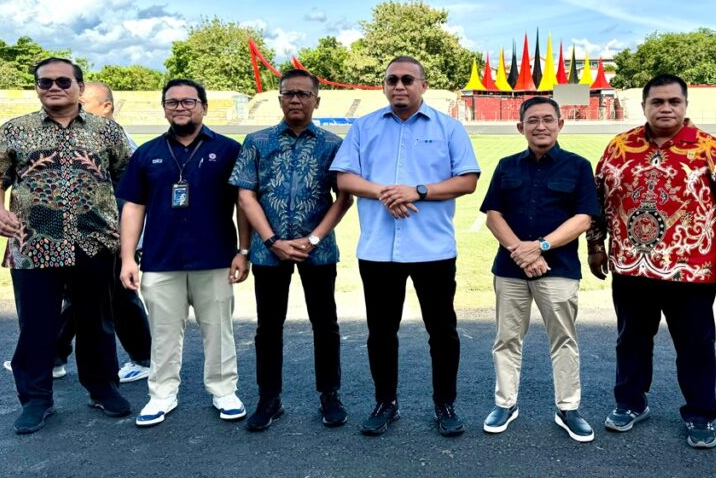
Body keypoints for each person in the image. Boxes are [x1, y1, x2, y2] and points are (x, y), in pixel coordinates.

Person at [587, 74, 716, 449]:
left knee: (695, 346)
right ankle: (630, 403)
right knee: (631, 341)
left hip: (691, 270)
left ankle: (700, 413)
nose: (666, 108)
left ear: (685, 105)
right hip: (631, 266)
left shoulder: (712, 150)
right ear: (644, 105)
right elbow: (597, 201)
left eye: (673, 102)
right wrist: (596, 245)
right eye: (658, 102)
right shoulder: (619, 147)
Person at [0, 58, 133, 434]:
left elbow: (129, 184)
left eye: (63, 81)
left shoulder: (106, 132)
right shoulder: (17, 129)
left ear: (79, 87)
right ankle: (35, 400)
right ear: (37, 87)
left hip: (95, 240)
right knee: (36, 326)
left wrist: (129, 240)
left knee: (96, 322)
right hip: (33, 243)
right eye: (44, 82)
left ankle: (102, 388)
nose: (53, 87)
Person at [331, 56, 479, 437]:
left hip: (433, 249)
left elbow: (467, 180)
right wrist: (386, 192)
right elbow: (345, 177)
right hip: (379, 249)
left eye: (407, 80)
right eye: (392, 80)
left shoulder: (448, 128)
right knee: (381, 332)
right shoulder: (363, 128)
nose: (399, 86)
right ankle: (386, 402)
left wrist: (419, 191)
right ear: (384, 85)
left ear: (423, 85)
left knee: (442, 331)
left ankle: (445, 403)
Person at [116, 79, 251, 427]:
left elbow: (244, 204)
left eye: (188, 101)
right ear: (164, 108)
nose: (180, 107)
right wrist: (128, 257)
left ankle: (224, 391)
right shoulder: (146, 153)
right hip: (161, 260)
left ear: (204, 107)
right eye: (172, 102)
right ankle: (161, 395)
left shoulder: (228, 150)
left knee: (218, 330)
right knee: (162, 333)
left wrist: (243, 250)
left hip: (216, 257)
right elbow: (133, 207)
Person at [230, 69, 353, 432]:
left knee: (325, 325)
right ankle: (269, 398)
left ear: (317, 99)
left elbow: (344, 198)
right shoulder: (257, 140)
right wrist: (268, 241)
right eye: (288, 93)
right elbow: (245, 195)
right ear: (279, 98)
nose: (295, 100)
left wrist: (313, 239)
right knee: (268, 327)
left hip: (318, 250)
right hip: (270, 250)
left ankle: (329, 394)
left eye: (303, 93)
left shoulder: (333, 143)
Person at [479, 97, 599, 442]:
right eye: (532, 120)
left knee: (563, 339)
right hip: (510, 268)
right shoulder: (506, 166)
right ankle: (505, 403)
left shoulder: (577, 166)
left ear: (561, 124)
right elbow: (493, 216)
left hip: (559, 268)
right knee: (506, 339)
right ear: (521, 127)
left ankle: (568, 408)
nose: (541, 126)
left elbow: (583, 218)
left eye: (548, 119)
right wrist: (521, 251)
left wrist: (541, 246)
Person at [53, 82, 152, 383]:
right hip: (87, 236)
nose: (77, 107)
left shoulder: (118, 141)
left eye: (84, 102)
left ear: (106, 107)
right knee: (83, 296)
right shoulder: (84, 137)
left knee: (118, 298)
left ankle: (145, 358)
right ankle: (53, 356)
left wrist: (128, 246)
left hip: (117, 236)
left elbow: (133, 197)